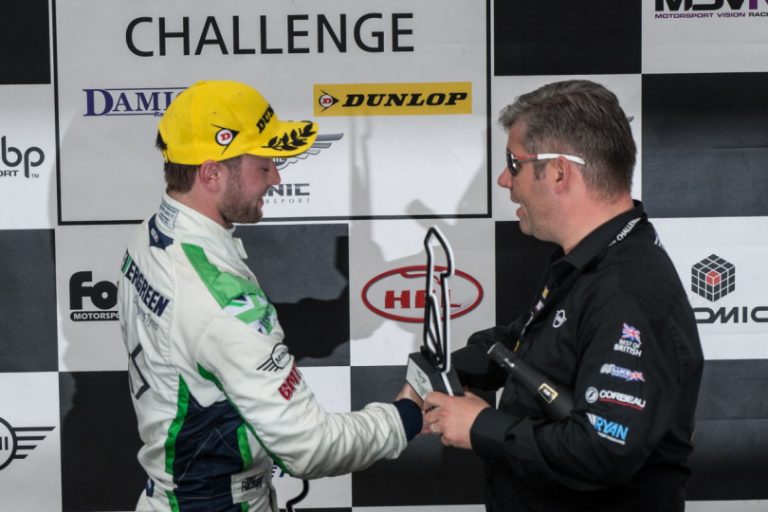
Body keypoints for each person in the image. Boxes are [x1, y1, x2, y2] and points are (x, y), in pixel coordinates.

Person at [116, 80, 422, 511]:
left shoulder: (153, 235)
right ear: (211, 173)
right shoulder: (219, 302)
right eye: (264, 165)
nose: (277, 178)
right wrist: (407, 415)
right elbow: (310, 448)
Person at [423, 80, 704, 511]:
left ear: (558, 171)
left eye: (512, 163)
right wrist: (446, 370)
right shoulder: (590, 260)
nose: (504, 179)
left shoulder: (625, 292)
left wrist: (481, 425)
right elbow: (528, 342)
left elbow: (603, 449)